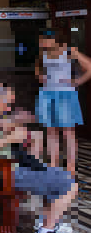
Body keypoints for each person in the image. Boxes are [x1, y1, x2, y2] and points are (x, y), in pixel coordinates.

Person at [0, 84, 78, 233]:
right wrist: (10, 137)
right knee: (69, 184)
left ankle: (48, 223)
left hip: (11, 168)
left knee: (60, 176)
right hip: (2, 174)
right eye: (8, 103)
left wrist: (11, 132)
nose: (8, 108)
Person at [36, 29, 91, 174]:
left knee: (68, 132)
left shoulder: (69, 51)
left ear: (55, 39)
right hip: (47, 94)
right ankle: (53, 164)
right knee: (51, 131)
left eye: (45, 40)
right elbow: (38, 69)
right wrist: (40, 76)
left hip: (66, 95)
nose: (42, 43)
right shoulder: (44, 53)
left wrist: (78, 81)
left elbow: (89, 67)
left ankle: (71, 166)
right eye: (41, 40)